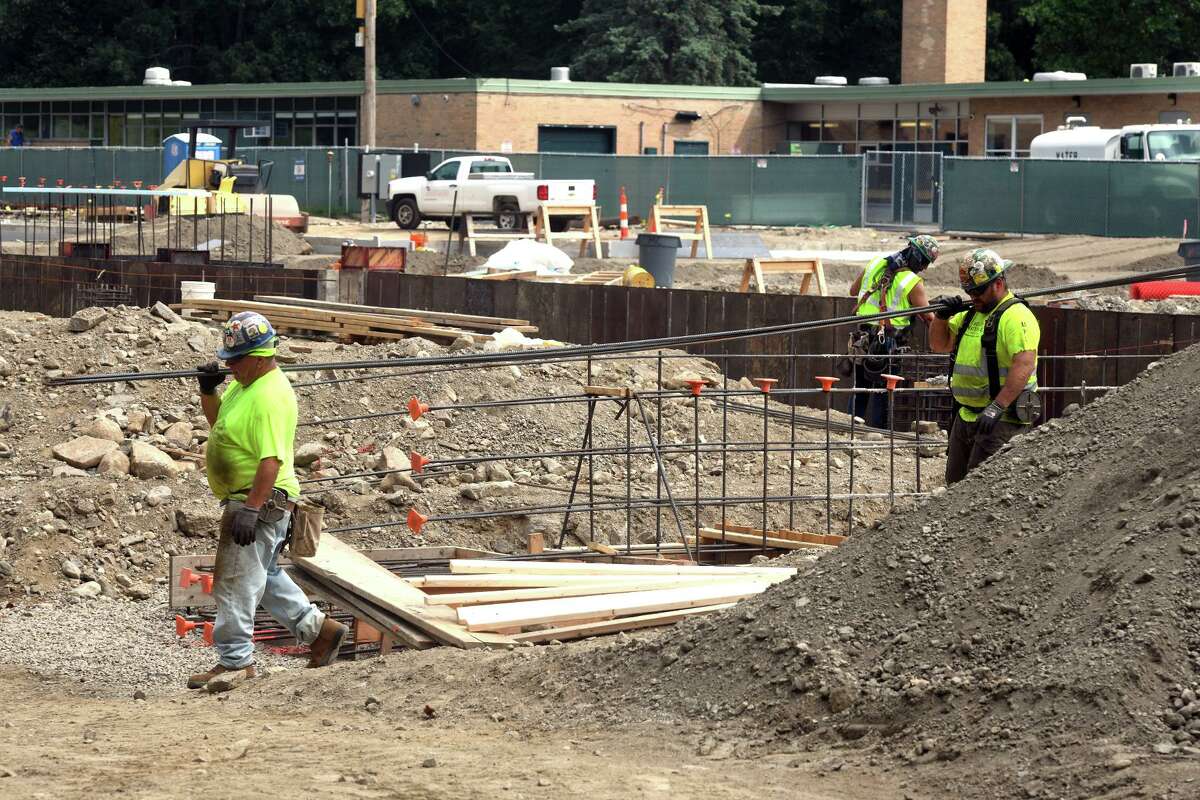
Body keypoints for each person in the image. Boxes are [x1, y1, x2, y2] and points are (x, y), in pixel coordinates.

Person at [187, 311, 347, 690]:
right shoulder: (245, 386)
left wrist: (251, 508)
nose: (229, 366)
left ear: (259, 356)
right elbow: (222, 427)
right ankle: (320, 632)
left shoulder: (272, 395)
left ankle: (236, 663)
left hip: (259, 500)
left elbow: (271, 460)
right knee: (266, 576)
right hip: (248, 498)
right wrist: (209, 391)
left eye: (234, 360)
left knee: (235, 582)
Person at [929, 248, 1040, 485]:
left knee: (981, 488)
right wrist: (941, 317)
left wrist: (997, 407)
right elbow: (939, 344)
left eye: (978, 291)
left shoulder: (1016, 316)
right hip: (966, 415)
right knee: (955, 485)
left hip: (1001, 420)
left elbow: (1024, 364)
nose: (973, 297)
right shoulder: (972, 315)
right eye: (969, 292)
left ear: (998, 283)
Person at [847, 234, 940, 428]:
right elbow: (930, 318)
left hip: (862, 338)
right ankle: (878, 432)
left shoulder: (874, 263)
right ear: (918, 257)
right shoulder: (912, 282)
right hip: (889, 342)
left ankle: (851, 428)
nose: (924, 268)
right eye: (925, 262)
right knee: (884, 389)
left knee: (860, 387)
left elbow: (853, 291)